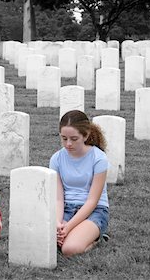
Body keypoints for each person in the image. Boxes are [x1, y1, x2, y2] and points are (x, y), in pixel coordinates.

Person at [49, 110, 109, 257]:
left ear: (86, 135)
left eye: (74, 139)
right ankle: (74, 235)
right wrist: (57, 223)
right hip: (66, 208)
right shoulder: (56, 159)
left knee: (69, 249)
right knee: (50, 240)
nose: (68, 144)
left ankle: (98, 238)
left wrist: (68, 227)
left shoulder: (99, 159)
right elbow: (58, 198)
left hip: (94, 210)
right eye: (64, 138)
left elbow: (92, 201)